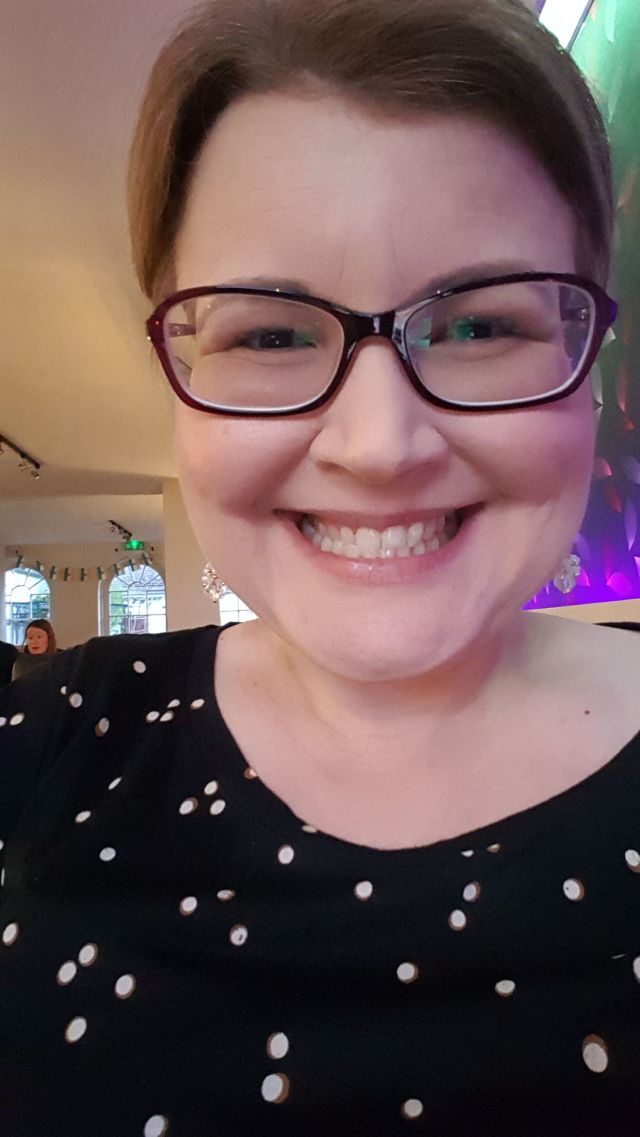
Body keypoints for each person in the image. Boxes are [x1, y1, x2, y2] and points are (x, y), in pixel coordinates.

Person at [1, 1, 639, 1133]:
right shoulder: (48, 740)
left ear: (587, 357)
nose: (379, 445)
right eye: (271, 335)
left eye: (479, 327)